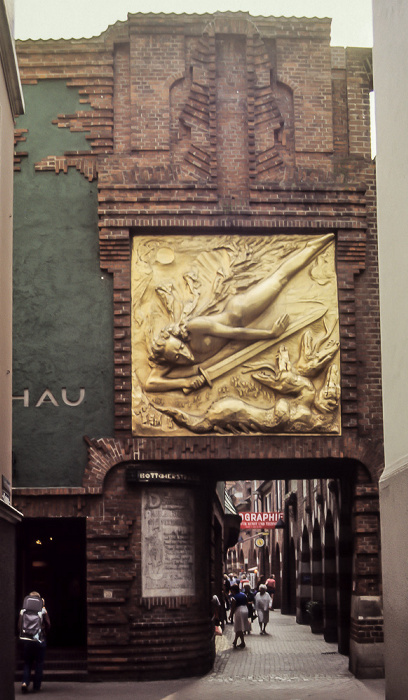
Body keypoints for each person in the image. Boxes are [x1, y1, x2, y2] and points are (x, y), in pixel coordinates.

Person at [146, 234, 333, 392]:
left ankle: (313, 246)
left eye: (180, 348)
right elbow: (151, 383)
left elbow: (234, 332)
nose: (183, 355)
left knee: (280, 279)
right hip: (238, 341)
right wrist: (184, 383)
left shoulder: (195, 327)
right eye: (177, 358)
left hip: (241, 312)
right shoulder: (170, 357)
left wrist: (270, 334)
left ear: (179, 338)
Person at [19, 591, 50, 694]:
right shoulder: (43, 610)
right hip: (39, 640)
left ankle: (24, 682)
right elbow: (48, 625)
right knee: (39, 663)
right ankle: (36, 686)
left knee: (27, 663)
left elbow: (19, 625)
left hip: (27, 640)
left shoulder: (23, 610)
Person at [229, 583, 249, 649]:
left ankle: (241, 642)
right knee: (239, 627)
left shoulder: (234, 598)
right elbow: (247, 602)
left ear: (233, 590)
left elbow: (233, 607)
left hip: (239, 611)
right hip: (245, 609)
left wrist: (230, 615)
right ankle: (236, 641)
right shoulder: (244, 595)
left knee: (239, 627)